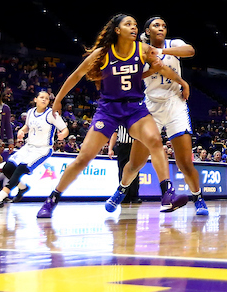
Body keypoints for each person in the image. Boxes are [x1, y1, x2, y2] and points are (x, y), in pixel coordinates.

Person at [38, 14, 187, 219]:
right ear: (117, 30)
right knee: (83, 158)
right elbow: (77, 75)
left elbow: (163, 69)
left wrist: (183, 83)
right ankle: (52, 198)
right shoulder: (103, 53)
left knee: (155, 141)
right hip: (108, 110)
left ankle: (167, 193)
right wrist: (58, 99)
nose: (134, 28)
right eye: (128, 24)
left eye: (135, 25)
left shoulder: (143, 49)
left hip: (135, 108)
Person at [130, 17, 207, 215]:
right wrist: (151, 69)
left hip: (175, 103)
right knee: (137, 161)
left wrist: (162, 51)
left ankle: (197, 197)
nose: (161, 28)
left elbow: (190, 51)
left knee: (184, 163)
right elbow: (133, 78)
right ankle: (122, 189)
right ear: (147, 31)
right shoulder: (139, 51)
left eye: (164, 25)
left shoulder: (174, 44)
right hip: (151, 105)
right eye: (156, 25)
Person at [0, 90, 66, 207]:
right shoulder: (31, 112)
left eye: (47, 98)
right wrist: (22, 131)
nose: (44, 100)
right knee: (8, 168)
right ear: (35, 99)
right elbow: (27, 126)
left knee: (21, 168)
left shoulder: (52, 114)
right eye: (41, 97)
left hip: (42, 149)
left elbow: (65, 129)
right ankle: (23, 188)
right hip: (28, 147)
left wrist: (63, 134)